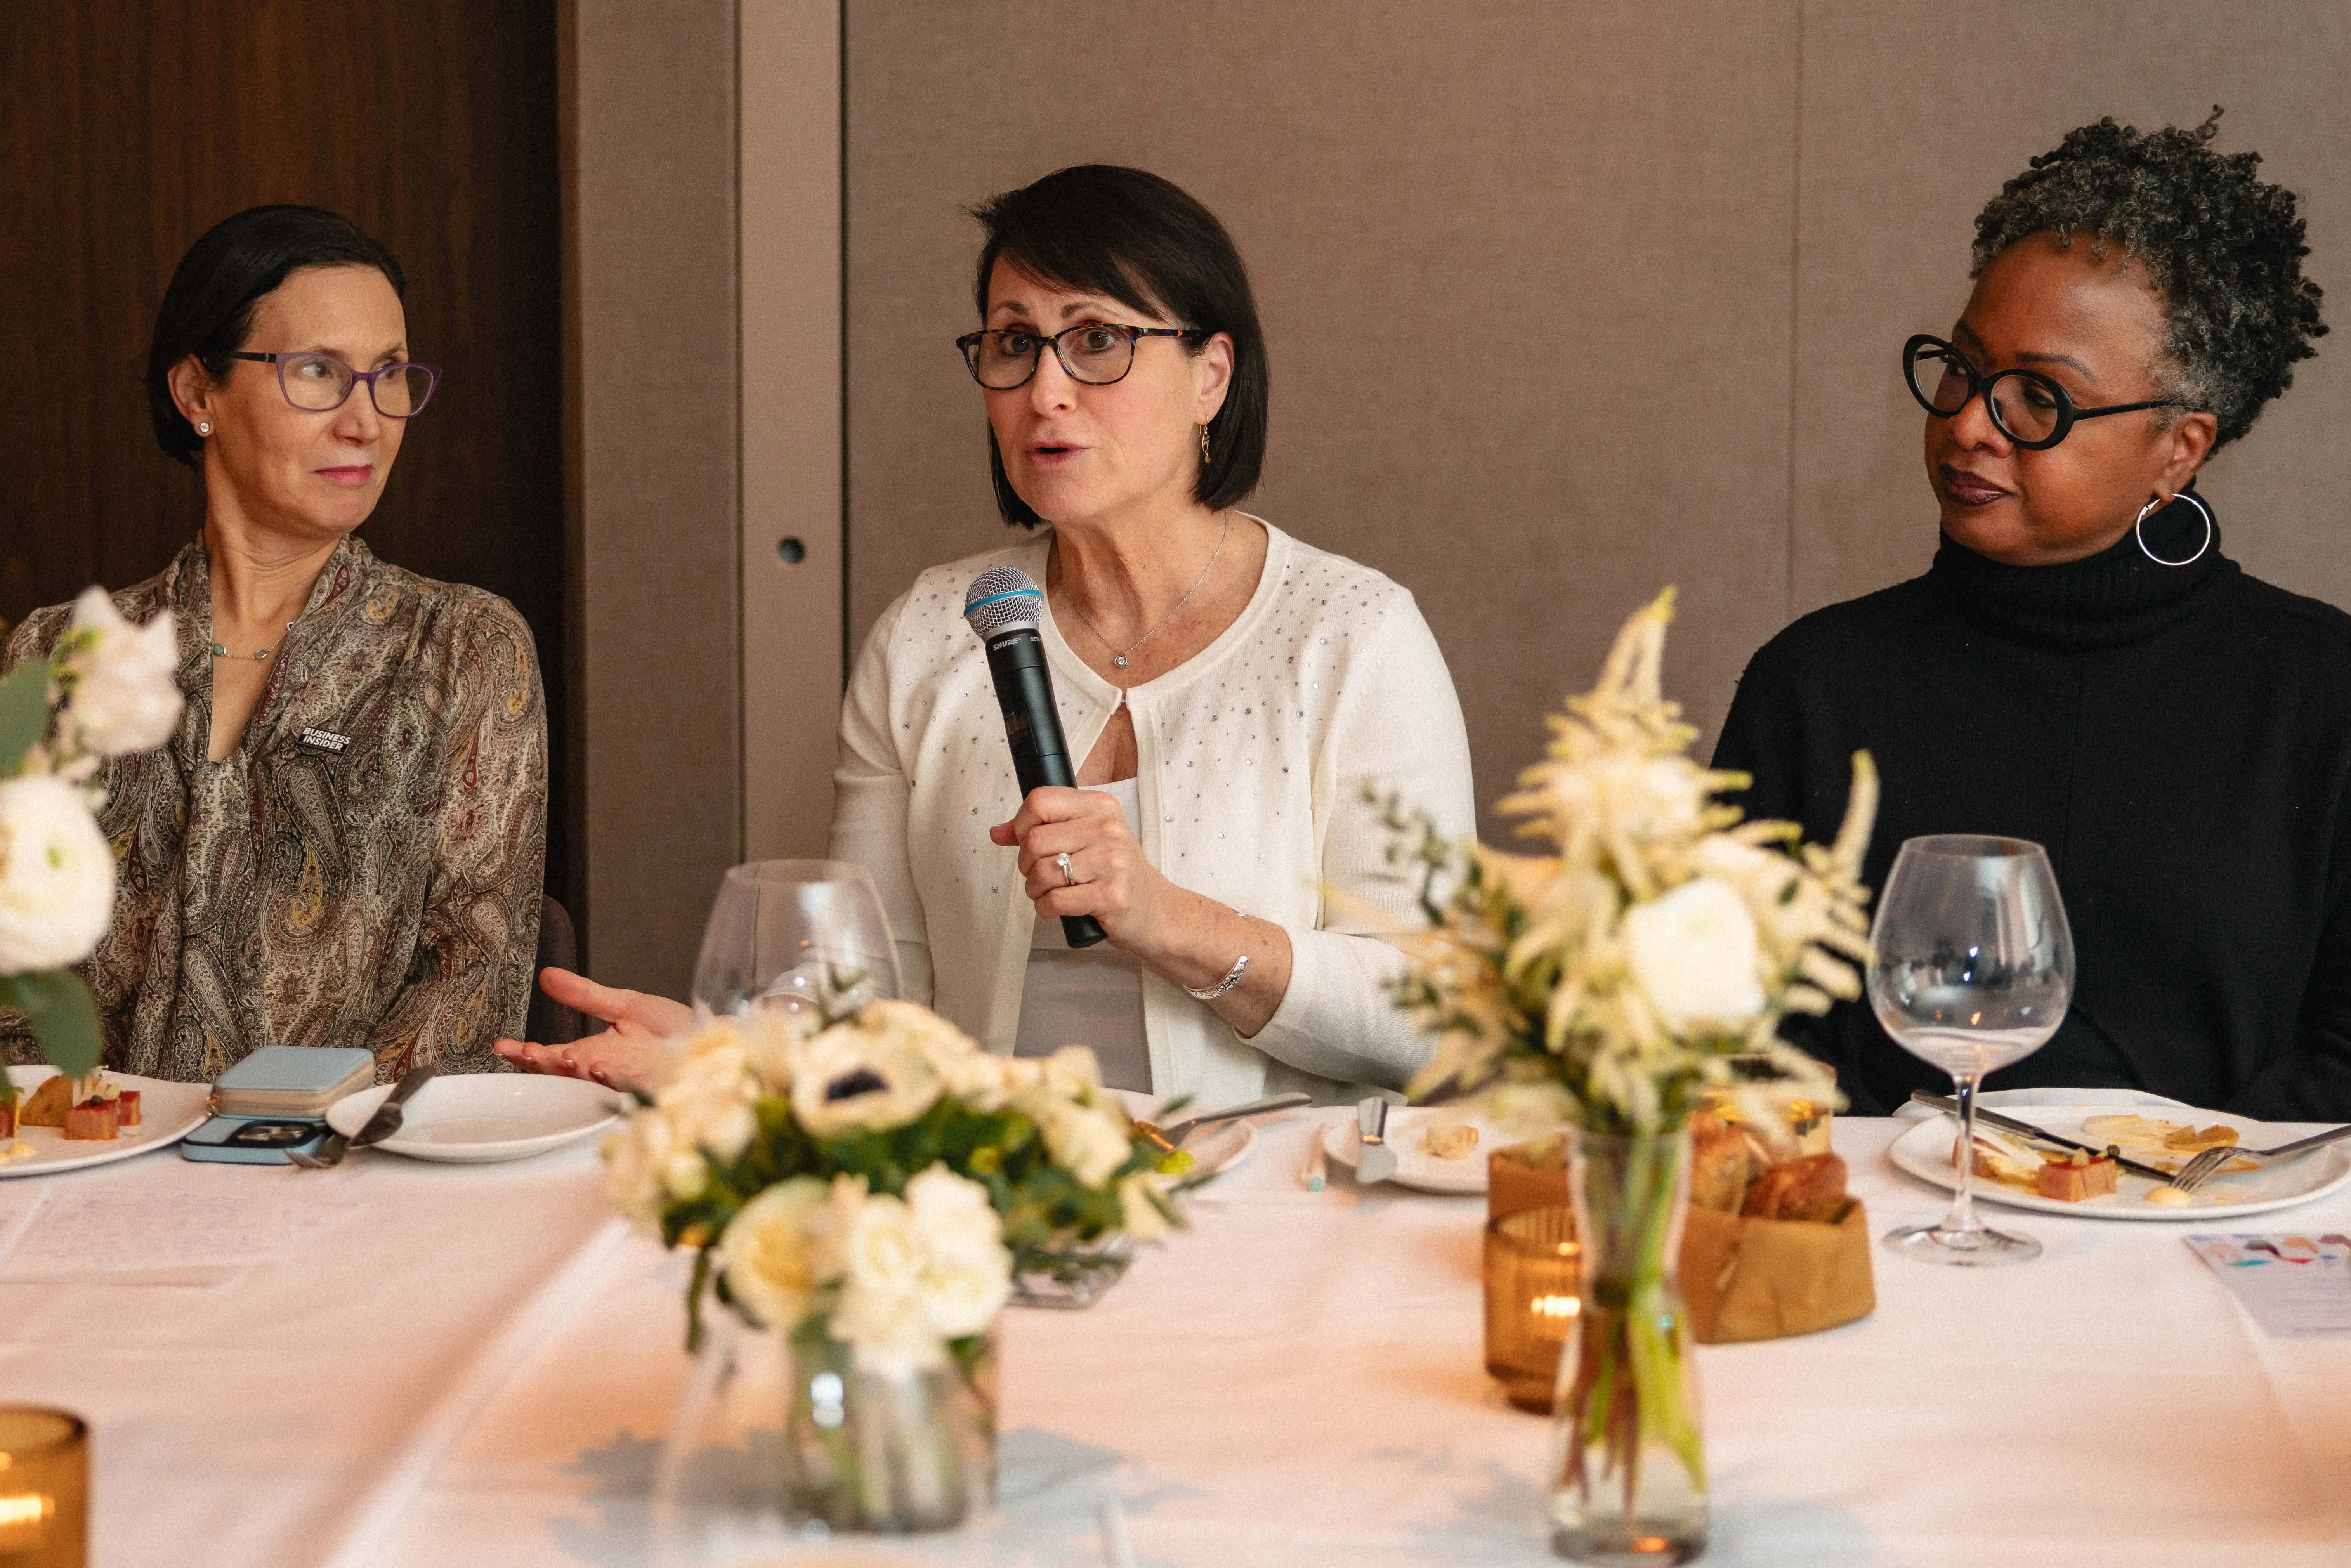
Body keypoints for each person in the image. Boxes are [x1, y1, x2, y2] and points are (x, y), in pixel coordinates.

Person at [507, 165, 1474, 1103]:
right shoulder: (932, 633)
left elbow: (1433, 1022)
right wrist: (732, 1057)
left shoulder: (1350, 636)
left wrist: (1166, 918)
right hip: (981, 1192)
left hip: (1269, 1212)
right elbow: (871, 1009)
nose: (1045, 389)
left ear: (1210, 377)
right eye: (1014, 344)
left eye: (1096, 339)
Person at [1713, 112, 2342, 1119]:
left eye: (2040, 399)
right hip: (1896, 1245)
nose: (1968, 423)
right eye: (1964, 368)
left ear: (2179, 449)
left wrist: (2153, 1190)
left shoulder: (2322, 696)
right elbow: (1742, 1041)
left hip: (2220, 1240)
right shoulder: (1816, 684)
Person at [0, 205, 547, 1081]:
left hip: (343, 1178)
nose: (367, 421)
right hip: (80, 1172)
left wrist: (277, 1146)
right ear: (198, 393)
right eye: (319, 371)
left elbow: (469, 991)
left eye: (392, 374)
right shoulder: (60, 653)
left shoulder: (463, 648)